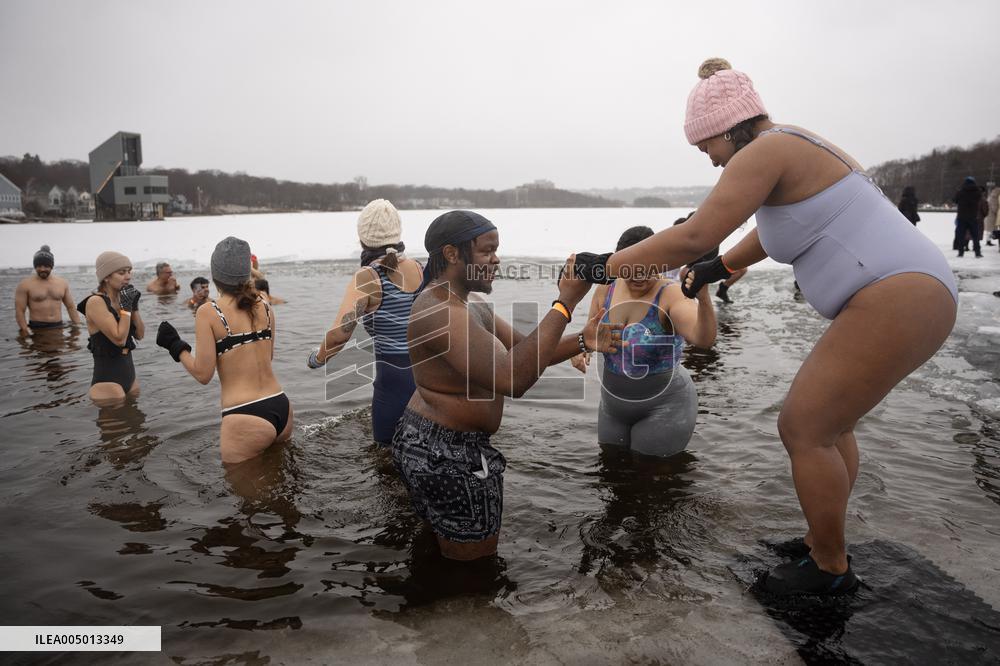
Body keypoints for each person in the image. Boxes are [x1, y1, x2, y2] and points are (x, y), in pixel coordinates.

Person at [572, 58, 958, 596]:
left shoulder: (765, 151)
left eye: (705, 146)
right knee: (831, 426)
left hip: (899, 292)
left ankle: (827, 570)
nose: (709, 161)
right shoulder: (793, 144)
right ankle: (824, 543)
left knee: (803, 427)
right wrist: (722, 265)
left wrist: (603, 266)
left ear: (728, 129)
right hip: (909, 289)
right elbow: (784, 227)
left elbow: (691, 235)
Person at [392, 210, 622, 561]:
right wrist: (565, 303)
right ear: (453, 254)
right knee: (473, 568)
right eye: (487, 251)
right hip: (446, 454)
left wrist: (583, 340)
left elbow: (523, 351)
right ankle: (466, 612)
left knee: (441, 553)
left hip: (433, 441)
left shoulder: (469, 305)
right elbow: (513, 378)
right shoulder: (438, 312)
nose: (497, 260)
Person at [155, 237, 292, 464]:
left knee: (244, 496)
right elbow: (268, 357)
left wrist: (175, 345)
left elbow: (203, 374)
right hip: (281, 405)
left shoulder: (208, 311)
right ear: (246, 272)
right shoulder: (264, 304)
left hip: (245, 414)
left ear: (215, 274)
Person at [586, 226, 716, 458]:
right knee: (609, 470)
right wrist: (581, 348)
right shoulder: (606, 289)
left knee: (652, 481)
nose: (639, 275)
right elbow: (590, 334)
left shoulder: (670, 295)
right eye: (630, 269)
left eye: (647, 268)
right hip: (612, 408)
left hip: (665, 407)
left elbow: (703, 338)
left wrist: (704, 299)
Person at [307, 200, 421, 446]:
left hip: (394, 386)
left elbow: (340, 334)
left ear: (362, 239)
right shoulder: (421, 268)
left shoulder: (368, 277)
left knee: (386, 463)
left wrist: (317, 358)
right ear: (398, 233)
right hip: (432, 381)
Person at [78, 251, 145, 405]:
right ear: (106, 277)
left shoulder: (123, 299)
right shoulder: (96, 302)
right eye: (122, 273)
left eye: (129, 272)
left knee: (137, 425)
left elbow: (140, 334)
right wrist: (126, 308)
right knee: (116, 427)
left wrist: (133, 306)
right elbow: (119, 339)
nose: (128, 276)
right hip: (107, 382)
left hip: (130, 378)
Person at [674, 212, 748, 303]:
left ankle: (723, 290)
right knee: (692, 278)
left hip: (711, 264)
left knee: (742, 269)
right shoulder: (690, 238)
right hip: (692, 268)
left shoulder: (715, 232)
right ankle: (691, 302)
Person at [15, 245, 81, 335]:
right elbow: (20, 311)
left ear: (51, 266)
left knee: (60, 348)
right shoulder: (25, 285)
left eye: (46, 266)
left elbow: (70, 307)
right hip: (37, 328)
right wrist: (25, 331)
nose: (42, 269)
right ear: (35, 266)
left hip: (58, 326)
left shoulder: (62, 283)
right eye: (39, 266)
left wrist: (77, 328)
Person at [953, 177, 983, 258]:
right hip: (973, 217)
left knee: (961, 235)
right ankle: (977, 252)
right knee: (975, 236)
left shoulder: (960, 192)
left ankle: (960, 252)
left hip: (962, 217)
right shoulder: (978, 192)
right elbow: (980, 199)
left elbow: (955, 200)